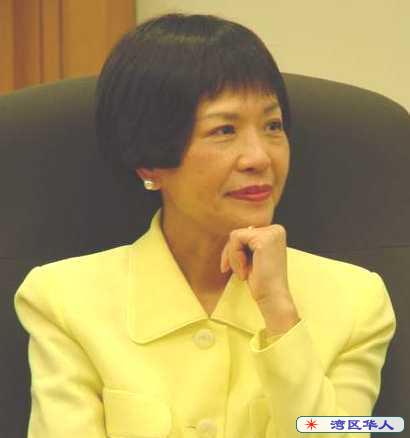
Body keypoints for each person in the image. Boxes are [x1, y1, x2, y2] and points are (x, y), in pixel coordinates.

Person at [14, 13, 396, 438]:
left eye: (273, 126)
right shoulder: (65, 301)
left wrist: (280, 316)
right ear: (150, 161)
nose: (260, 157)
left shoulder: (357, 303)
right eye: (224, 130)